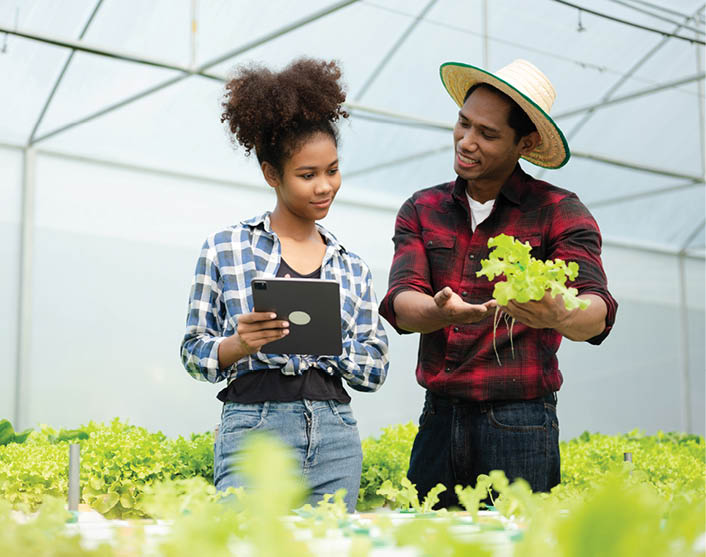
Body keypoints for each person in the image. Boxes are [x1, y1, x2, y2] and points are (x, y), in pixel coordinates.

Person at [378, 59, 618, 507]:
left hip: (520, 422)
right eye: (463, 124)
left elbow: (597, 312)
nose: (466, 142)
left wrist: (559, 313)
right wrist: (438, 311)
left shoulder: (559, 211)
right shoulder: (422, 208)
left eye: (486, 134)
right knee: (430, 543)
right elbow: (401, 303)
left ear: (524, 143)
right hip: (439, 418)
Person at [180, 58, 389, 513]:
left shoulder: (351, 266)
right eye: (307, 175)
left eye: (332, 170)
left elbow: (376, 367)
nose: (325, 186)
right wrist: (237, 346)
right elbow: (193, 352)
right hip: (254, 426)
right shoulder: (225, 248)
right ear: (271, 175)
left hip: (335, 433)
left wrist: (332, 347)